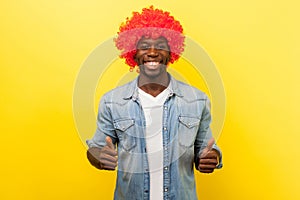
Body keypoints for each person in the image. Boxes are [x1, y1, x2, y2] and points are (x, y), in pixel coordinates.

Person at [86, 6, 223, 200]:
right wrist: (99, 156)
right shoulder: (112, 102)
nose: (152, 52)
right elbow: (97, 148)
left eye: (160, 45)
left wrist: (211, 158)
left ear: (171, 52)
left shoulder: (197, 100)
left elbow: (206, 149)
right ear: (132, 53)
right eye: (144, 45)